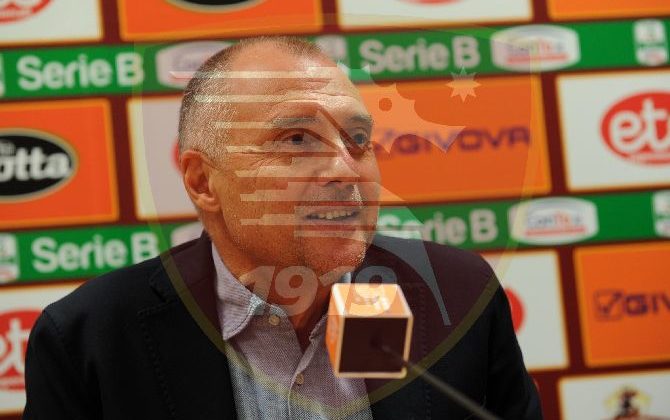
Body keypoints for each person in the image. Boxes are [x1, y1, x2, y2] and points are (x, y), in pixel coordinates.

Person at [23, 36, 542, 419]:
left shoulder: (459, 295)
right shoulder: (89, 340)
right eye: (297, 140)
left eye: (358, 140)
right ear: (202, 181)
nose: (346, 171)